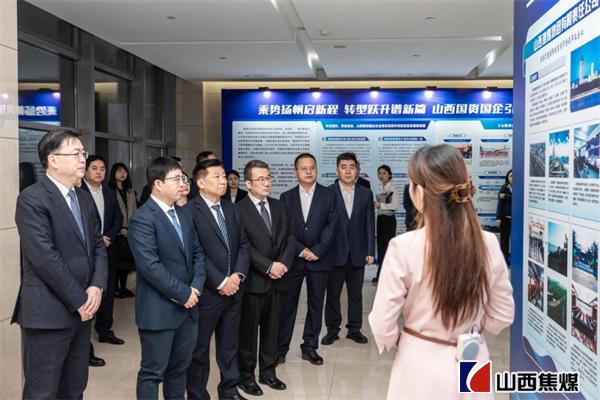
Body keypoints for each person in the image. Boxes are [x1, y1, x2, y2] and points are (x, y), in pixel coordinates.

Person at [368, 145, 514, 399]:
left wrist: (402, 341)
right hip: (473, 359)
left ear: (419, 193)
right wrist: (471, 330)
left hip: (419, 358)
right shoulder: (488, 242)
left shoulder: (403, 246)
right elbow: (502, 315)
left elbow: (382, 323)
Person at [13, 129, 107, 399]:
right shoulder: (32, 199)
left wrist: (97, 286)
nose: (83, 159)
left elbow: (98, 246)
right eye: (76, 153)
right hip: (49, 314)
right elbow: (45, 258)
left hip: (82, 312)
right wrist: (80, 300)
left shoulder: (83, 197)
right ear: (53, 160)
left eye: (83, 153)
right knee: (43, 391)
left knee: (74, 388)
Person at [128, 157, 206, 400]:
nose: (183, 183)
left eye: (184, 178)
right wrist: (184, 294)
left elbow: (198, 254)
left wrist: (195, 289)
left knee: (179, 370)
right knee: (152, 373)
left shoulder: (184, 214)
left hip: (188, 310)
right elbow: (150, 267)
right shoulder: (142, 218)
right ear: (158, 184)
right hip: (159, 311)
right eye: (177, 179)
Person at [186, 159, 250, 400]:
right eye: (217, 176)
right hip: (207, 293)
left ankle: (229, 390)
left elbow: (243, 244)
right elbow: (196, 253)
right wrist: (221, 282)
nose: (224, 181)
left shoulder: (232, 208)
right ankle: (197, 394)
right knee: (199, 349)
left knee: (229, 345)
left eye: (224, 176)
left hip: (234, 290)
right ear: (200, 183)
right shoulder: (190, 212)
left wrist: (237, 276)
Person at [236, 160, 295, 396]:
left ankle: (268, 372)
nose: (266, 182)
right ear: (248, 183)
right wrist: (268, 266)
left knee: (272, 329)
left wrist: (282, 265)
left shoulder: (280, 206)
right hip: (253, 281)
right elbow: (243, 245)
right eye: (260, 179)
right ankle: (246, 377)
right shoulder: (238, 209)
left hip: (278, 280)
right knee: (248, 332)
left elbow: (290, 238)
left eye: (268, 177)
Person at [277, 153, 337, 366]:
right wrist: (301, 250)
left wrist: (317, 250)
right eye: (304, 168)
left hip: (320, 259)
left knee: (316, 305)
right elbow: (285, 229)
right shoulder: (286, 197)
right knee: (287, 306)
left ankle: (310, 347)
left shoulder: (329, 195)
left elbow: (332, 225)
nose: (309, 171)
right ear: (296, 172)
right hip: (294, 259)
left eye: (312, 167)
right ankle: (280, 349)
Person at [323, 152, 375, 346]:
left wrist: (370, 250)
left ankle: (354, 330)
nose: (347, 171)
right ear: (337, 170)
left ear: (357, 170)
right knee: (333, 295)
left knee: (356, 296)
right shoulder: (328, 193)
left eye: (351, 167)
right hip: (333, 253)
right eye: (343, 167)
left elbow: (369, 223)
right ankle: (332, 330)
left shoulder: (365, 193)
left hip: (357, 252)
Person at [82, 155, 125, 348]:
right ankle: (84, 343)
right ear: (85, 170)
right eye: (94, 168)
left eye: (102, 169)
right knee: (86, 293)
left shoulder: (108, 192)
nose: (99, 172)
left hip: (108, 249)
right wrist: (96, 241)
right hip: (85, 252)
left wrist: (108, 236)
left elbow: (118, 218)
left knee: (107, 293)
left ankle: (105, 330)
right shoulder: (78, 191)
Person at [108, 162, 137, 298]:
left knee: (126, 261)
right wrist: (120, 229)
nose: (122, 173)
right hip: (116, 231)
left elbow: (135, 210)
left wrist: (132, 228)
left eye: (124, 171)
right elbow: (110, 214)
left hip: (130, 230)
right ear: (113, 173)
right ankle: (115, 289)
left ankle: (124, 288)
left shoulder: (130, 191)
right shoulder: (109, 190)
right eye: (119, 171)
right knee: (116, 262)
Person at [373, 165, 399, 284]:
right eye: (379, 173)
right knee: (381, 248)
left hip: (388, 220)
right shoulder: (380, 187)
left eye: (384, 173)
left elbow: (395, 206)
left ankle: (388, 276)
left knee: (387, 248)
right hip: (380, 219)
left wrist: (380, 205)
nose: (381, 175)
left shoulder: (392, 188)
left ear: (389, 174)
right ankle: (381, 274)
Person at [496, 169, 513, 264]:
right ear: (507, 178)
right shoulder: (504, 188)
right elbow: (500, 204)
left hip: (516, 220)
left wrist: (506, 196)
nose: (512, 178)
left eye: (514, 176)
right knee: (504, 240)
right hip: (505, 219)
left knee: (516, 240)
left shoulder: (520, 188)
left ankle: (515, 259)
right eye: (510, 176)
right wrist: (498, 218)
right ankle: (504, 260)